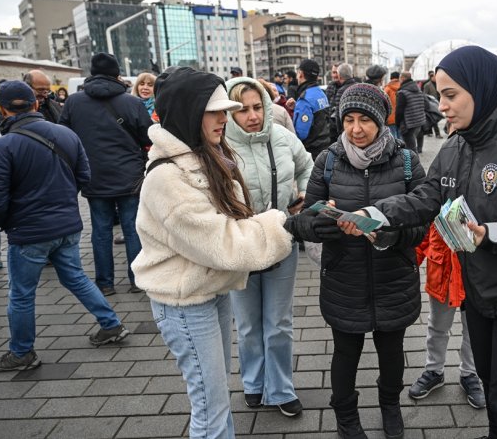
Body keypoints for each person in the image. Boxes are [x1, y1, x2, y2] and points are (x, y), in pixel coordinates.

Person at [343, 46, 497, 438]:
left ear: (481, 90)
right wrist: (377, 214)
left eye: (451, 95)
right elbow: (427, 197)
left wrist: (493, 233)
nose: (442, 105)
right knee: (489, 382)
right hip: (479, 294)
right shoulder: (455, 146)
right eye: (440, 94)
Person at [131, 67, 294, 439]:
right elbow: (224, 243)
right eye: (215, 110)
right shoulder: (168, 177)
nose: (225, 118)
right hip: (185, 303)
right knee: (210, 405)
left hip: (208, 291)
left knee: (215, 397)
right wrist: (287, 226)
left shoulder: (204, 155)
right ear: (189, 111)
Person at [285, 83, 426, 439]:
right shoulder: (328, 161)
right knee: (345, 353)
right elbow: (304, 221)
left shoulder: (406, 160)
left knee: (392, 352)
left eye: (365, 119)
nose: (356, 128)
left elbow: (423, 222)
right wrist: (326, 225)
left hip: (394, 277)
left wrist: (390, 234)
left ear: (380, 120)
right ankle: (346, 418)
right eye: (348, 119)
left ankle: (390, 408)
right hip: (344, 278)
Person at [0, 81, 129, 372]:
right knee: (75, 277)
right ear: (36, 104)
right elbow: (84, 176)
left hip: (28, 232)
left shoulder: (1, 147)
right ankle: (111, 324)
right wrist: (63, 201)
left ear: (0, 109)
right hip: (67, 225)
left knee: (22, 293)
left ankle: (21, 353)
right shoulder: (66, 134)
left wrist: (4, 222)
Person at [224, 77, 313, 416]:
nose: (252, 115)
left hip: (281, 240)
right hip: (241, 246)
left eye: (257, 106)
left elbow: (307, 166)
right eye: (242, 109)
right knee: (247, 324)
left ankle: (279, 388)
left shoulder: (282, 137)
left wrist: (304, 194)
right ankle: (253, 382)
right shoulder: (219, 146)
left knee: (278, 322)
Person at [60, 53, 153, 296]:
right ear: (117, 73)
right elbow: (148, 137)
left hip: (93, 174)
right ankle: (136, 280)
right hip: (130, 175)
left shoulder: (73, 102)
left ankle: (105, 283)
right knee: (133, 227)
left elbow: (63, 137)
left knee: (100, 230)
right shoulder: (132, 103)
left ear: (91, 72)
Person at [409, 221, 485, 410]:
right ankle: (434, 371)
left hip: (477, 274)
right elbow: (422, 234)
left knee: (474, 330)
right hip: (442, 272)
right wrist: (408, 265)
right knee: (437, 327)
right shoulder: (438, 193)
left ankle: (470, 374)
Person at [290, 59, 331, 159]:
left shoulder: (305, 100)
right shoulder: (321, 93)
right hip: (325, 147)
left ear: (300, 74)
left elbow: (301, 134)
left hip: (312, 153)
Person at [395, 71, 426, 153]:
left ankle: (415, 165)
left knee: (411, 149)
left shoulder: (403, 92)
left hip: (407, 125)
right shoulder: (418, 90)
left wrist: (397, 123)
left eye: (400, 78)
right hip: (418, 122)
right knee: (412, 146)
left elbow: (399, 111)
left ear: (403, 78)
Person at [423, 71, 443, 138]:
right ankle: (437, 133)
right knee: (434, 119)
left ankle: (430, 132)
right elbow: (425, 95)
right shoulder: (427, 85)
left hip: (437, 102)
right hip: (430, 104)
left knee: (433, 118)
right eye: (434, 77)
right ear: (431, 77)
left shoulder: (438, 84)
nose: (435, 78)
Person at [383, 71, 401, 139]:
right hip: (401, 117)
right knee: (401, 136)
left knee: (393, 137)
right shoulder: (403, 87)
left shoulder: (387, 88)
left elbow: (383, 102)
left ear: (391, 78)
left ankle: (395, 149)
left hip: (391, 117)